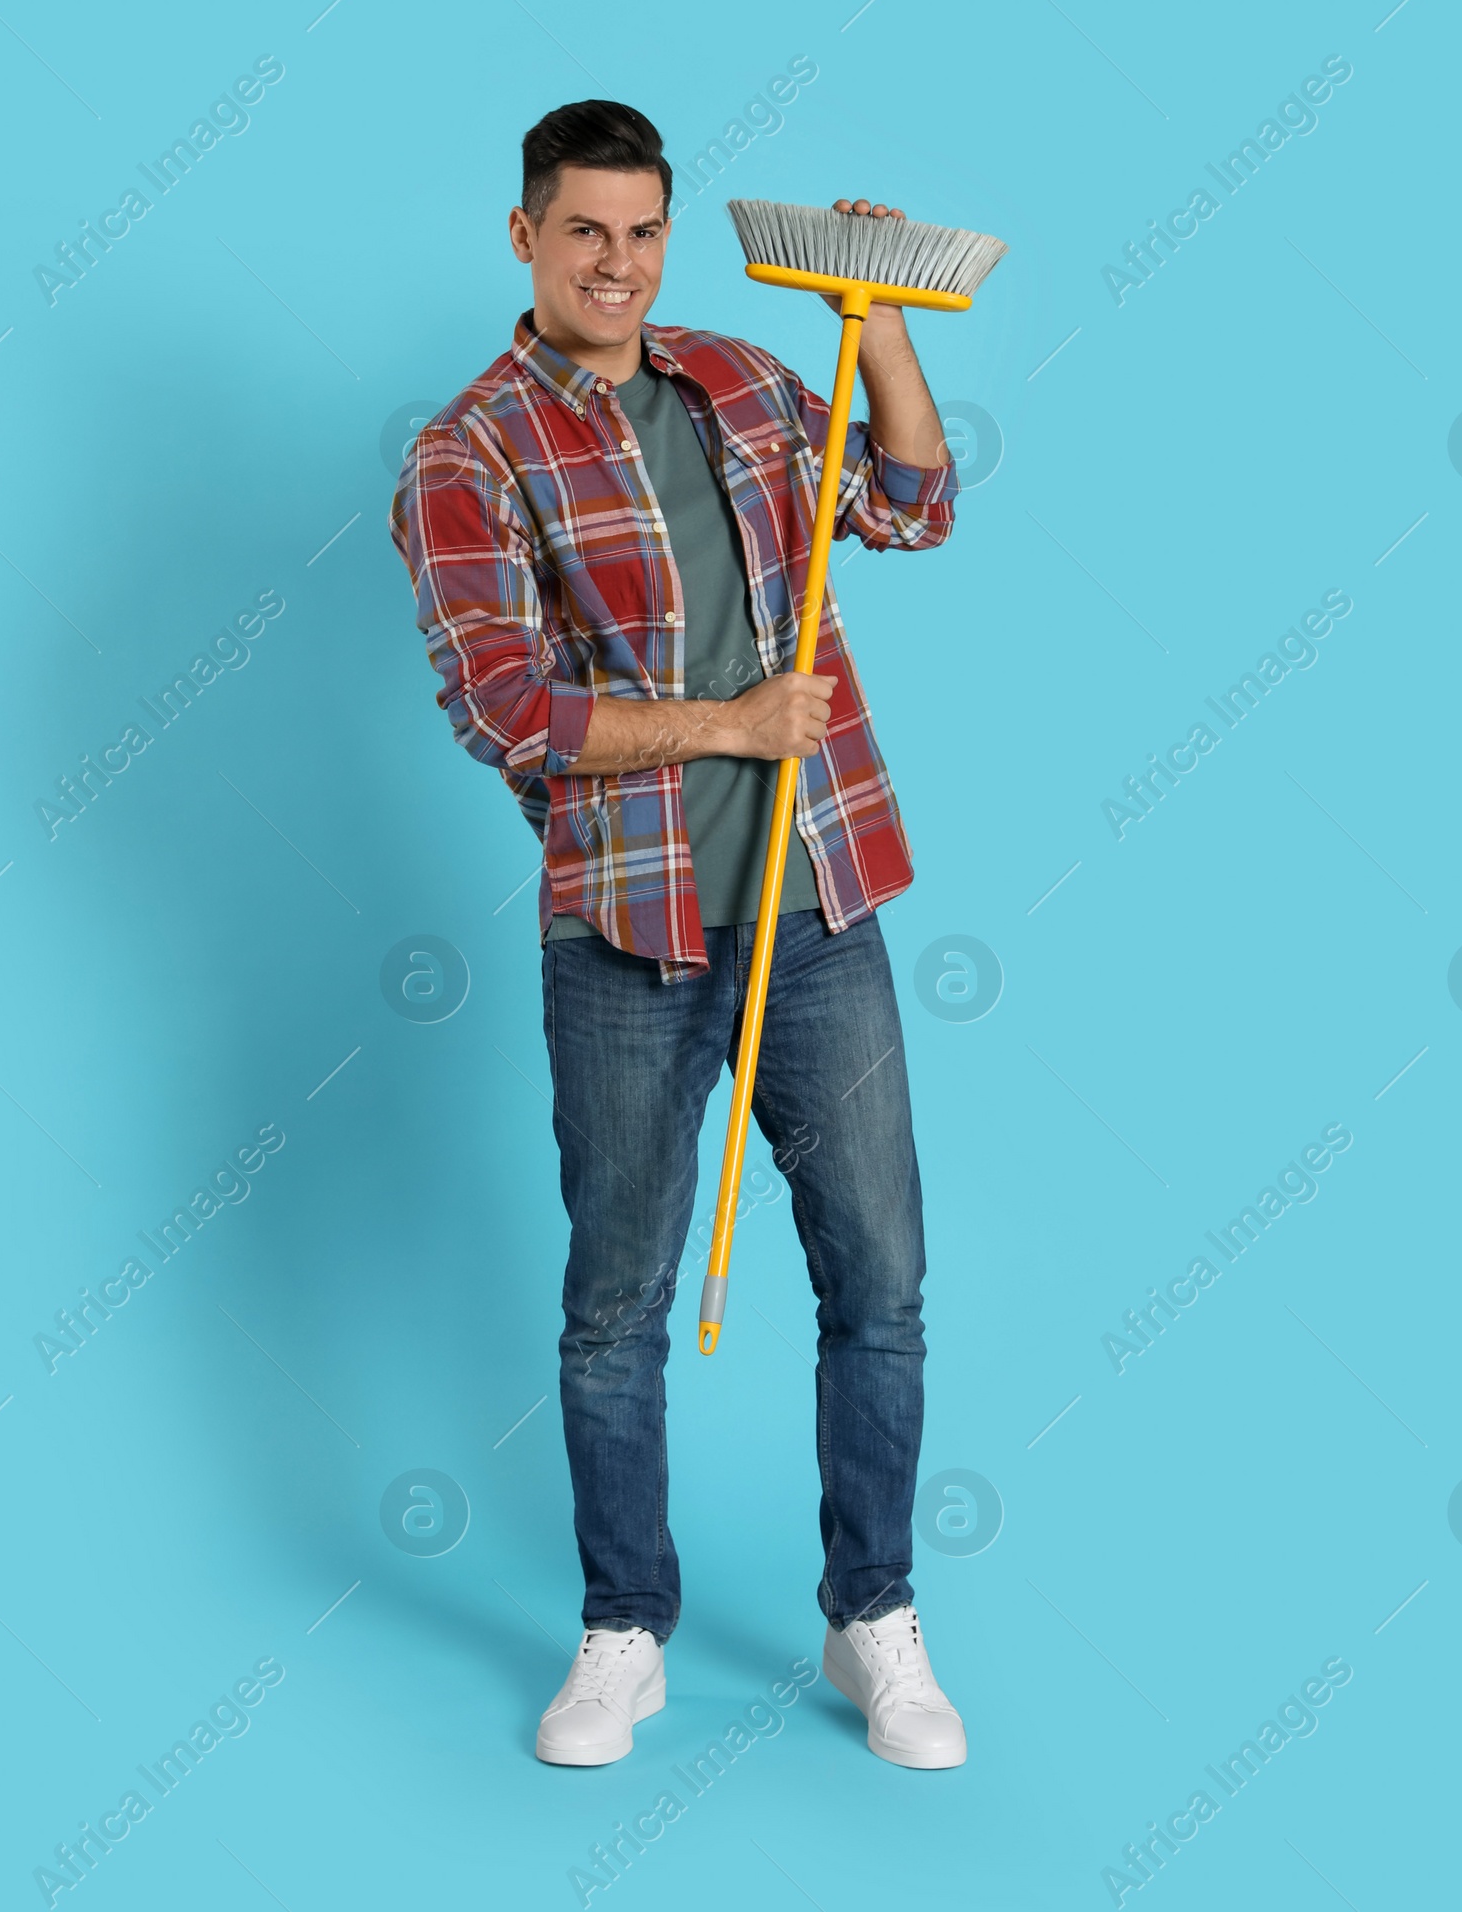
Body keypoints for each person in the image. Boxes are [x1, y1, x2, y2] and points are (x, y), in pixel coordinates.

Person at [390, 100, 966, 1771]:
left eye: (643, 232)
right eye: (585, 232)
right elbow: (506, 708)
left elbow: (913, 505)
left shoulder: (737, 379)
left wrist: (888, 328)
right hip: (632, 935)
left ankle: (877, 1618)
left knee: (885, 1282)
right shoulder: (471, 450)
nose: (618, 266)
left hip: (822, 909)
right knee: (614, 1306)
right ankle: (624, 1629)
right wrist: (731, 723)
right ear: (524, 237)